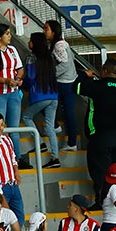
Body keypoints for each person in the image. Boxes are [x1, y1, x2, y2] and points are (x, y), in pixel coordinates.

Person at [77, 58, 116, 208]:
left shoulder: (96, 86)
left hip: (101, 137)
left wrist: (84, 75)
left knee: (101, 171)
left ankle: (102, 202)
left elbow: (76, 88)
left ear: (105, 71)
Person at [23, 32, 62, 169]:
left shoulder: (31, 58)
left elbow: (31, 77)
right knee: (49, 126)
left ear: (34, 43)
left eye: (30, 41)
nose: (29, 43)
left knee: (27, 116)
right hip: (53, 95)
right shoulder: (49, 57)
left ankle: (40, 144)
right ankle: (55, 157)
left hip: (40, 95)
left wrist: (23, 84)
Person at [42, 21, 79, 153]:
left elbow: (65, 64)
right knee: (68, 113)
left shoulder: (59, 45)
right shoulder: (61, 44)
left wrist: (50, 75)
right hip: (69, 82)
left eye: (46, 28)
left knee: (42, 102)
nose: (44, 31)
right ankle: (71, 142)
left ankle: (56, 126)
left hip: (64, 83)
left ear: (54, 31)